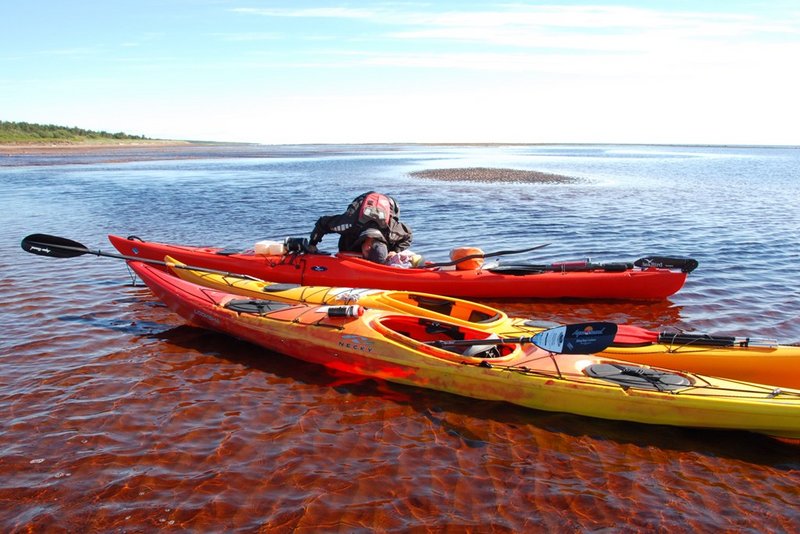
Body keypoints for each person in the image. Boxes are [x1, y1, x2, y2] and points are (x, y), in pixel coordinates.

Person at [307, 191, 414, 263]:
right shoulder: (347, 224)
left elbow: (408, 235)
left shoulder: (393, 231)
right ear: (367, 247)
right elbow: (322, 223)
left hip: (388, 206)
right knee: (347, 243)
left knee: (381, 254)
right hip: (361, 208)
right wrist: (312, 244)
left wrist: (395, 251)